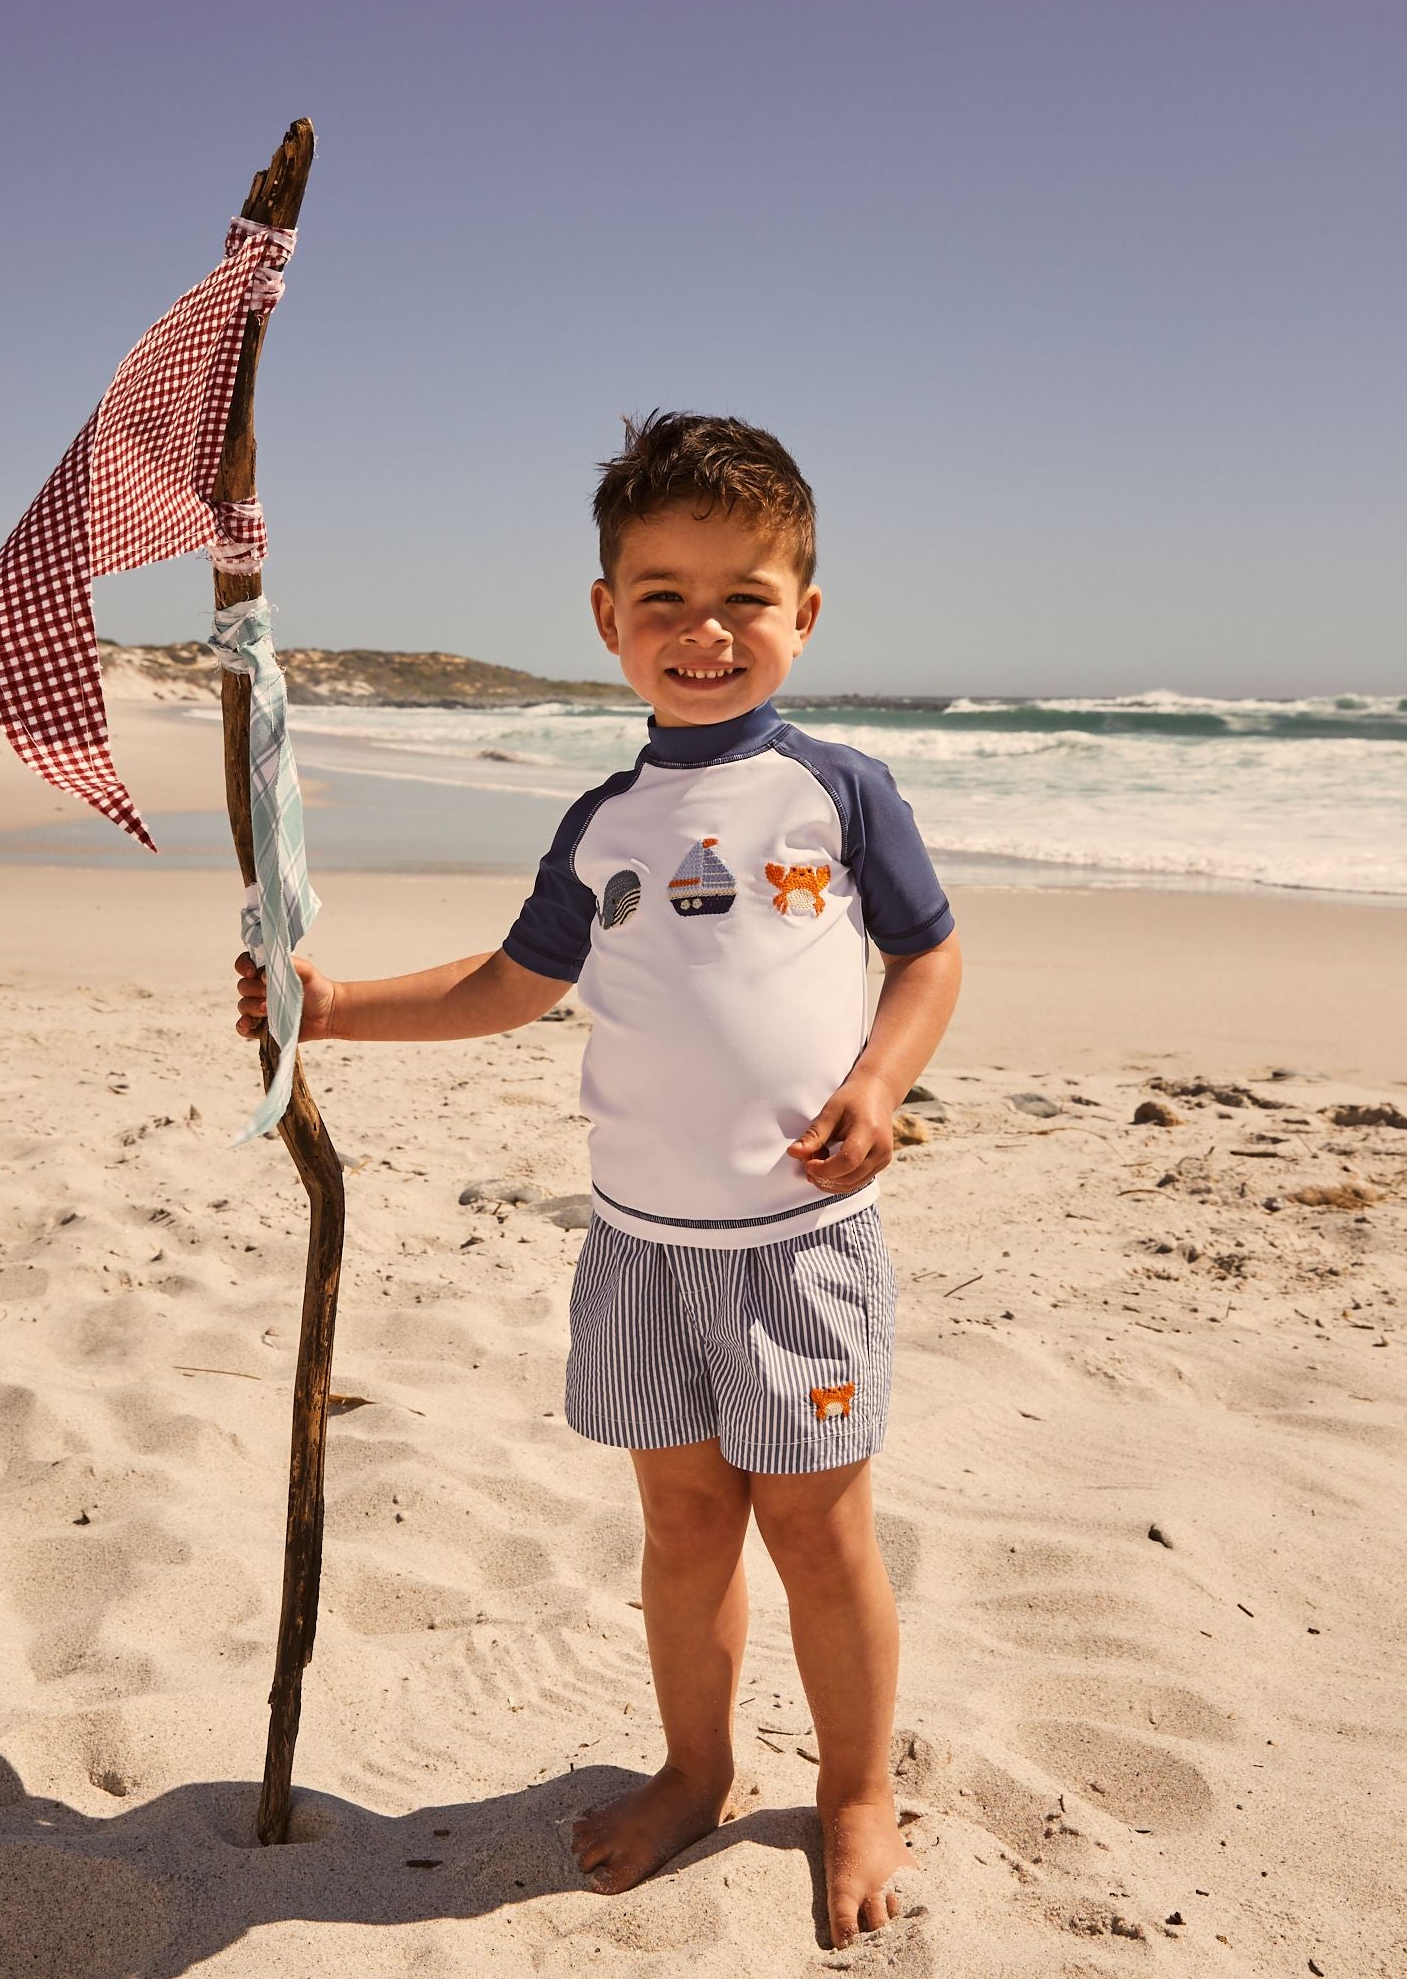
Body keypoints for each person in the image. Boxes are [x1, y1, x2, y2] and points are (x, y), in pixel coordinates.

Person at [234, 412, 962, 1944]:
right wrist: (333, 1007)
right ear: (607, 620)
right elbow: (511, 983)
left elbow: (929, 955)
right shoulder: (604, 823)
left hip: (799, 1247)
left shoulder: (840, 790)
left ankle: (851, 1790)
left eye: (744, 597)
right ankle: (696, 1767)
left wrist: (880, 1085)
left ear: (805, 616)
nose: (704, 630)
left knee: (820, 1530)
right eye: (664, 597)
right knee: (685, 1524)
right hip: (638, 1251)